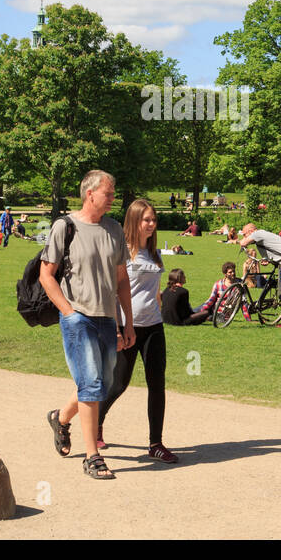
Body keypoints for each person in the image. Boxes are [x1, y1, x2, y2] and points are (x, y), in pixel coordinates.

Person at [43, 170, 136, 481]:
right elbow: (46, 275)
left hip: (107, 318)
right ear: (90, 194)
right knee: (93, 383)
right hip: (78, 317)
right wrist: (68, 312)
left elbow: (122, 281)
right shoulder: (65, 227)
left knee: (101, 383)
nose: (112, 198)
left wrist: (127, 322)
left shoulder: (114, 230)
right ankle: (92, 457)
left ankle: (60, 418)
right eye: (108, 193)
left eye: (112, 193)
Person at [97, 199, 178, 463]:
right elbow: (111, 292)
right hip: (125, 326)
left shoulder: (155, 253)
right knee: (119, 383)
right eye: (147, 220)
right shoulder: (121, 251)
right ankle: (95, 424)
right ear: (134, 221)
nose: (152, 224)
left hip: (154, 327)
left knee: (157, 385)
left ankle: (156, 443)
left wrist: (160, 309)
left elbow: (155, 291)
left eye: (154, 219)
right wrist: (117, 330)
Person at [237, 223, 281, 328]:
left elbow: (243, 243)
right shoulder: (261, 235)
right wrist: (267, 259)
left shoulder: (257, 233)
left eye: (244, 234)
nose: (244, 236)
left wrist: (238, 241)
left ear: (250, 231)